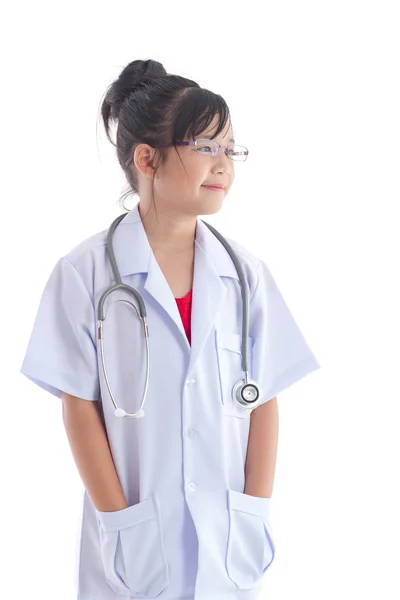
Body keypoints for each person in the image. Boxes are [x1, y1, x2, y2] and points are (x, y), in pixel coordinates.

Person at [20, 58, 321, 600]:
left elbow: (264, 400)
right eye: (206, 147)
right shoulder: (84, 273)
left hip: (229, 539)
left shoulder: (245, 276)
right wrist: (121, 522)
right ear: (147, 159)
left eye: (230, 148)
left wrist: (252, 509)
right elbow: (79, 404)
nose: (224, 163)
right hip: (133, 535)